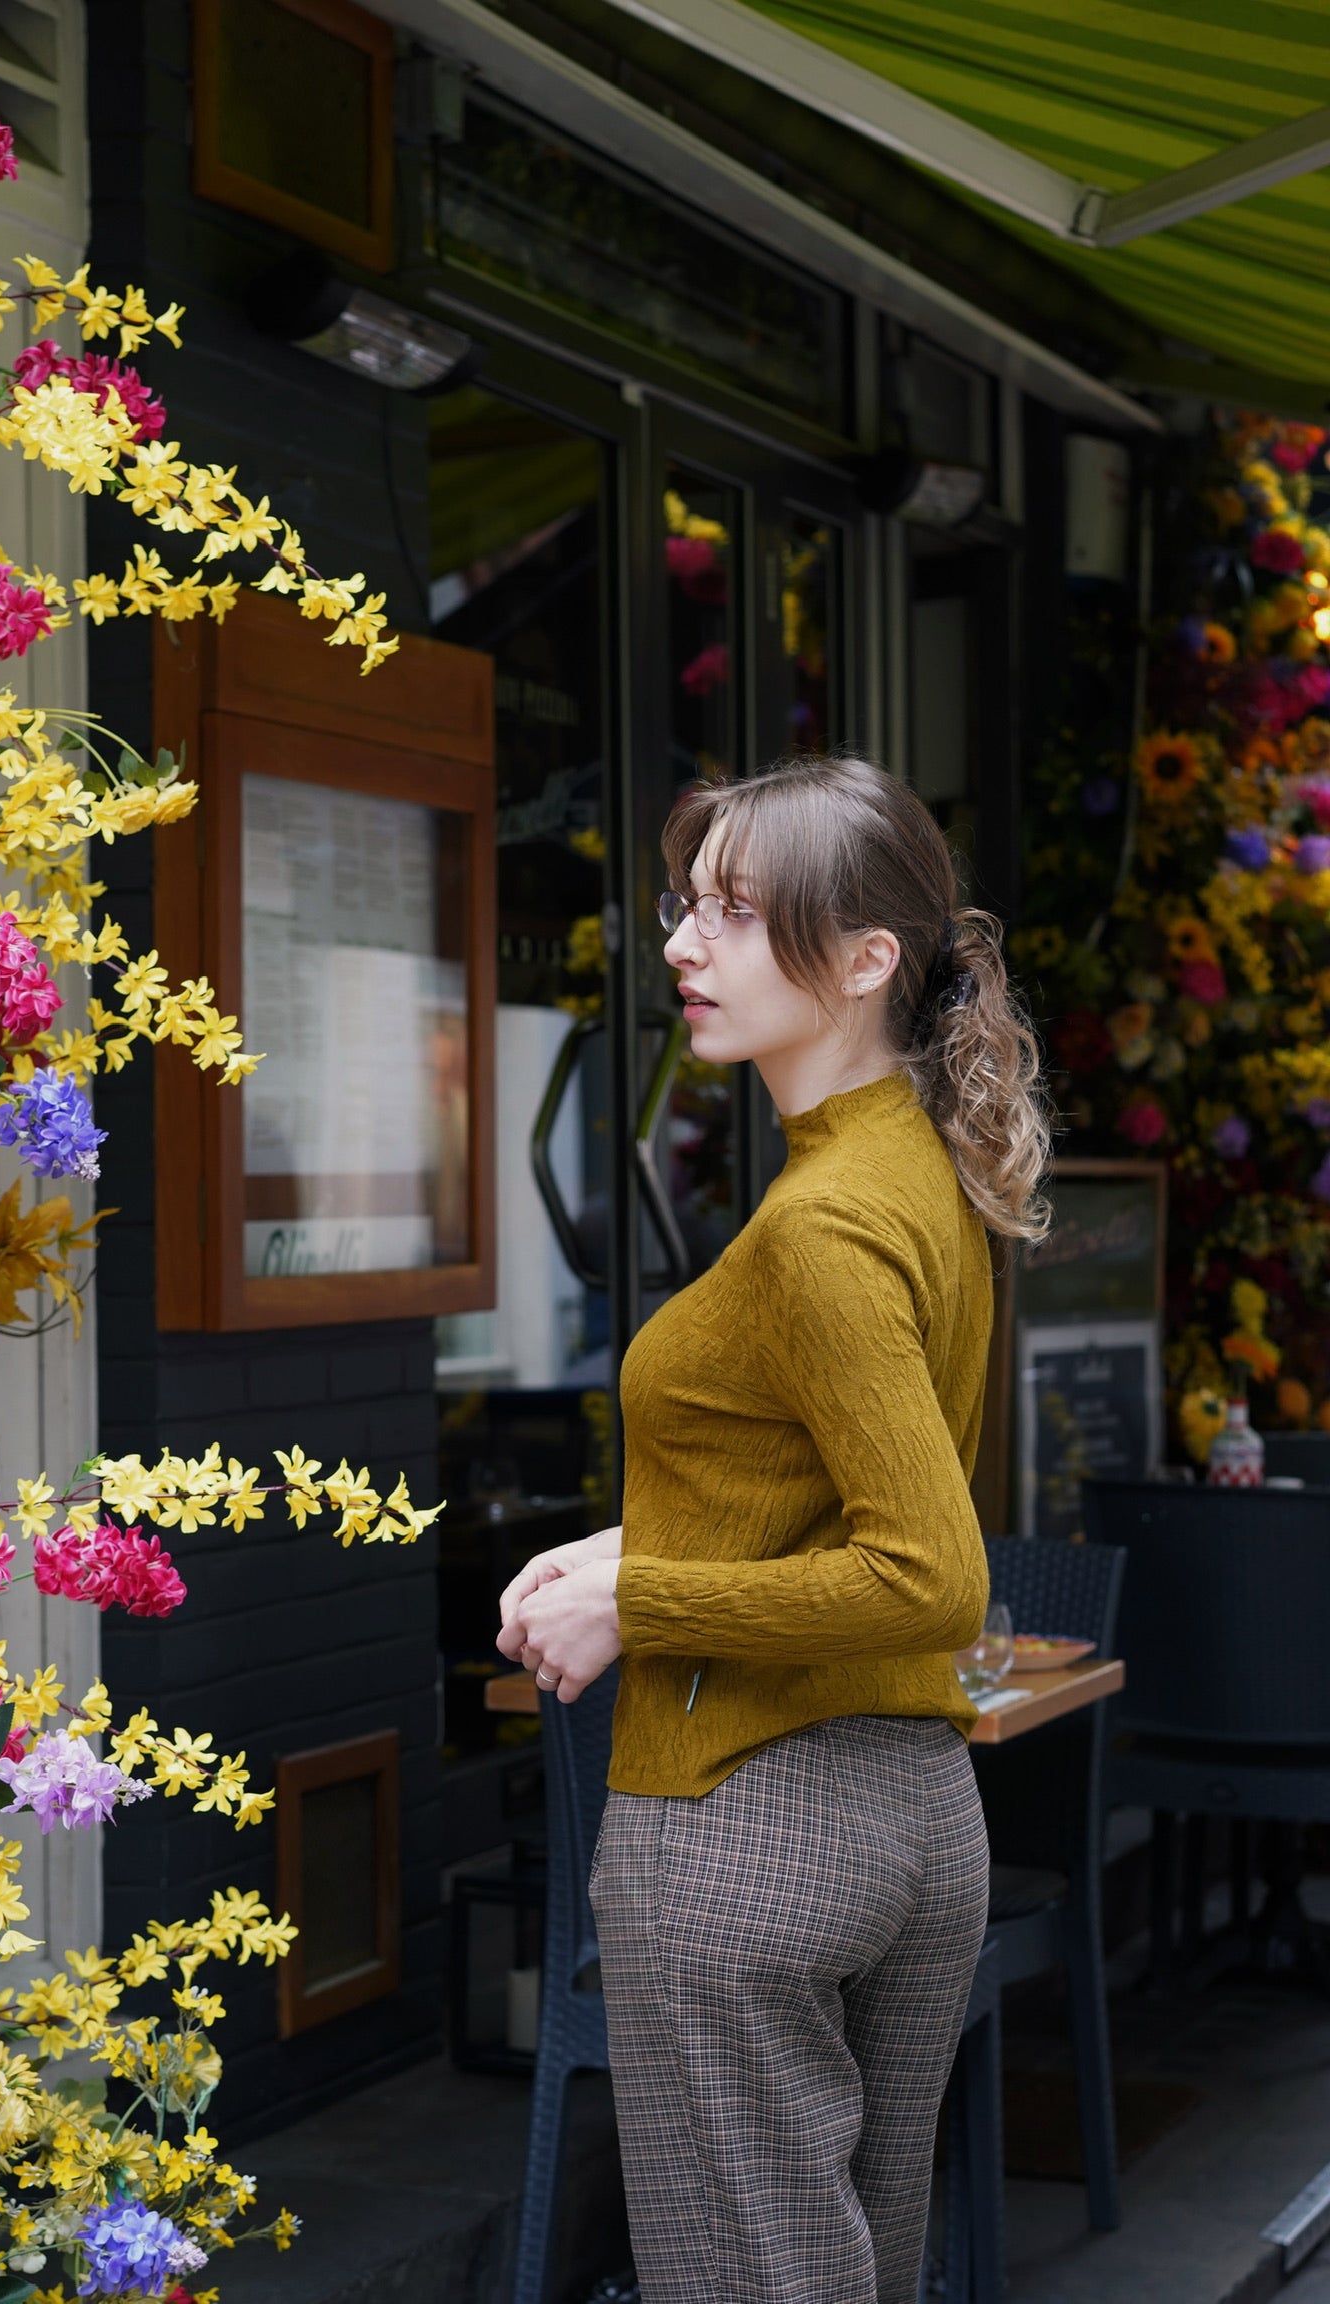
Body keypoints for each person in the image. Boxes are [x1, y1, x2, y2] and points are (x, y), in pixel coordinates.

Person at [496, 755, 1050, 2304]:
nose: (683, 942)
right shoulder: (907, 1171)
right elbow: (823, 1488)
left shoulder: (825, 1221)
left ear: (867, 960)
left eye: (737, 913)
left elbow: (928, 1571)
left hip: (753, 1829)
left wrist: (642, 1603)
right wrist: (633, 1554)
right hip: (914, 1822)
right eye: (692, 903)